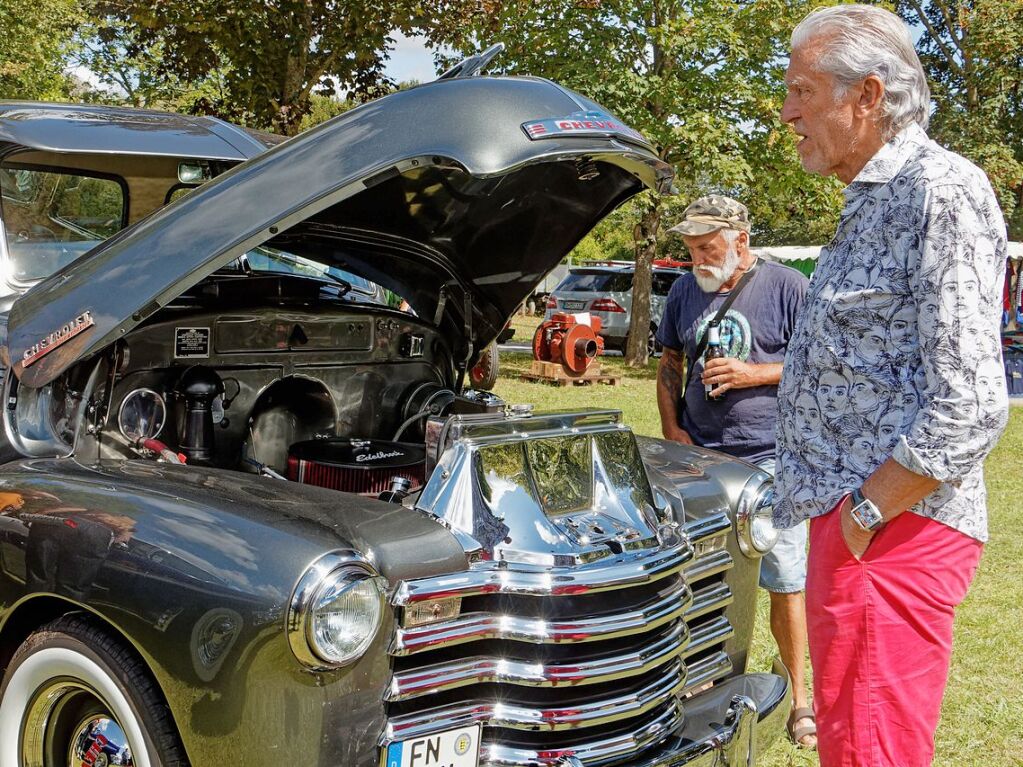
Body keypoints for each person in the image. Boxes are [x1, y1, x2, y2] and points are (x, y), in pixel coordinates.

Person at [774, 6, 1009, 766]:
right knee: (851, 743)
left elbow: (969, 401)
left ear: (866, 94)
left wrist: (864, 513)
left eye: (800, 91)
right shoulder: (873, 194)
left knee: (872, 750)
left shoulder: (939, 190)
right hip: (860, 526)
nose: (787, 114)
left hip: (891, 530)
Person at [655, 195, 815, 749]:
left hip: (772, 458)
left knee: (784, 580)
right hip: (702, 459)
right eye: (691, 247)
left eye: (707, 246)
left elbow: (819, 361)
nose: (697, 256)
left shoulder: (787, 286)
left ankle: (799, 702)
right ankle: (703, 688)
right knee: (703, 578)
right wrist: (673, 432)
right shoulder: (683, 291)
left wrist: (753, 373)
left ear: (740, 241)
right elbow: (669, 364)